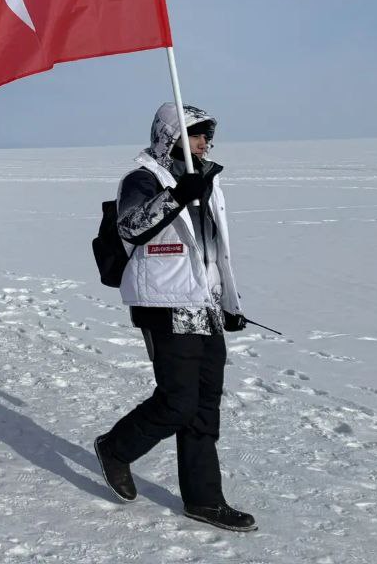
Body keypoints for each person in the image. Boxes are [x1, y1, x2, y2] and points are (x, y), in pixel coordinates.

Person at [93, 103, 256, 533]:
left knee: (205, 405)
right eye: (196, 134)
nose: (205, 142)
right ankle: (116, 448)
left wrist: (229, 304)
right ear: (171, 137)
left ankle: (204, 499)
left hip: (204, 305)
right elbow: (131, 226)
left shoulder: (206, 180)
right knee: (177, 401)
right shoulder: (143, 178)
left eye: (207, 134)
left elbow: (212, 250)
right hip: (163, 304)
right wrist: (178, 193)